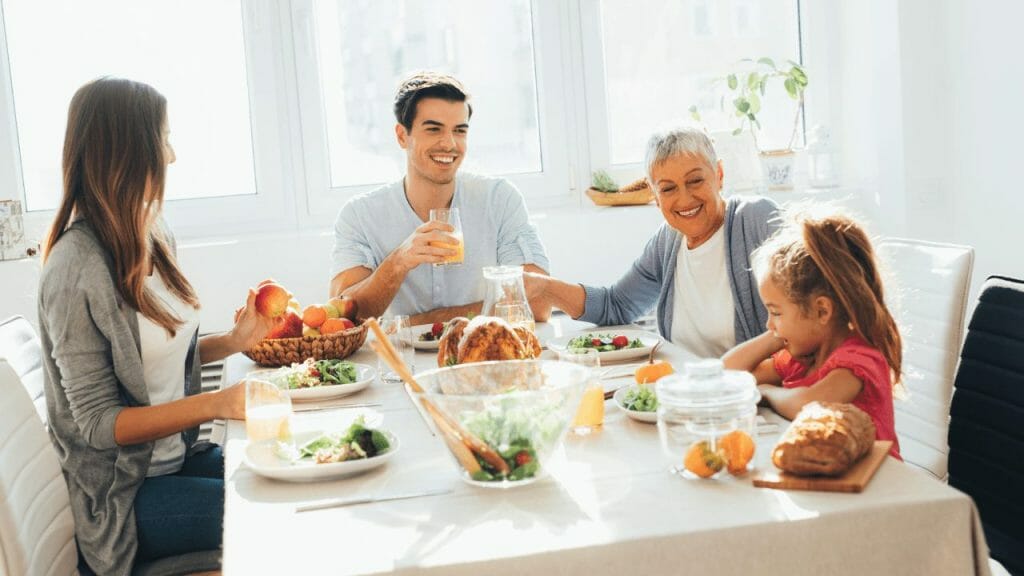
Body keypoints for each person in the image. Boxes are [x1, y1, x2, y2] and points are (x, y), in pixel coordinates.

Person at [38, 78, 274, 575]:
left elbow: (154, 361)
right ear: (127, 151)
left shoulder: (151, 231)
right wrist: (216, 404)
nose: (171, 156)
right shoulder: (74, 267)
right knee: (276, 513)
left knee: (298, 471)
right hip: (124, 496)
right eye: (163, 138)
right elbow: (101, 425)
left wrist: (234, 341)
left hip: (174, 463)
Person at [524, 126, 779, 359]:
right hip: (679, 386)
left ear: (719, 174)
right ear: (654, 194)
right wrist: (543, 287)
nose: (685, 198)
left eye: (695, 181)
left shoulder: (756, 219)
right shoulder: (668, 240)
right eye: (668, 188)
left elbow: (804, 317)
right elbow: (617, 305)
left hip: (746, 391)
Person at [330, 71, 551, 326]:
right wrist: (399, 262)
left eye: (459, 131)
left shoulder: (499, 200)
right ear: (402, 136)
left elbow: (539, 303)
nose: (449, 144)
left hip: (484, 356)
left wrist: (427, 321)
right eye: (433, 129)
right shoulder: (359, 215)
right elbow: (341, 317)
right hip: (400, 363)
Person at [721, 210, 903, 459]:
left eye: (775, 312)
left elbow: (811, 404)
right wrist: (777, 333)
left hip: (881, 485)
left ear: (822, 310)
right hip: (830, 476)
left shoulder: (859, 359)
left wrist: (767, 392)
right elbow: (727, 373)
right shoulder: (803, 356)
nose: (768, 323)